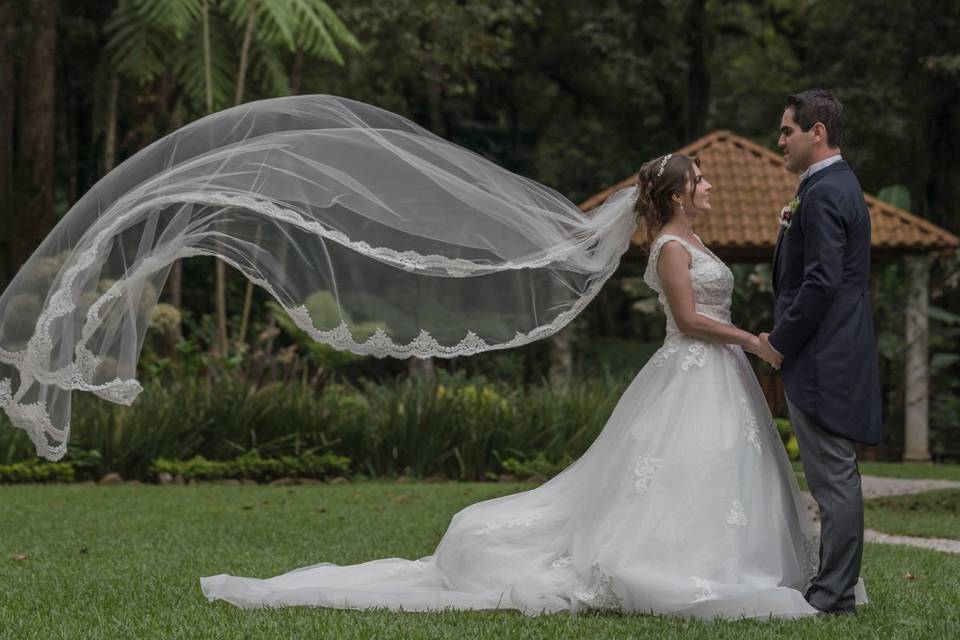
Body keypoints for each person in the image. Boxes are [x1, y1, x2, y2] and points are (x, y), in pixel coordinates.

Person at [200, 151, 867, 619]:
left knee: (721, 472)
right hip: (697, 370)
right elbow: (691, 322)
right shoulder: (668, 248)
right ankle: (676, 568)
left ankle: (743, 562)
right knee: (677, 472)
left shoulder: (691, 241)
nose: (710, 187)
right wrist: (753, 341)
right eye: (701, 181)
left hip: (723, 381)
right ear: (676, 193)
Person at [761, 89, 883, 615]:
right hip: (828, 352)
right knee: (833, 477)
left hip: (824, 357)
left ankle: (833, 594)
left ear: (818, 133)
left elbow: (821, 283)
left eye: (788, 130)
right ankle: (833, 586)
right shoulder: (827, 186)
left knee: (833, 478)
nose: (779, 140)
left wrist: (779, 342)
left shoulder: (829, 191)